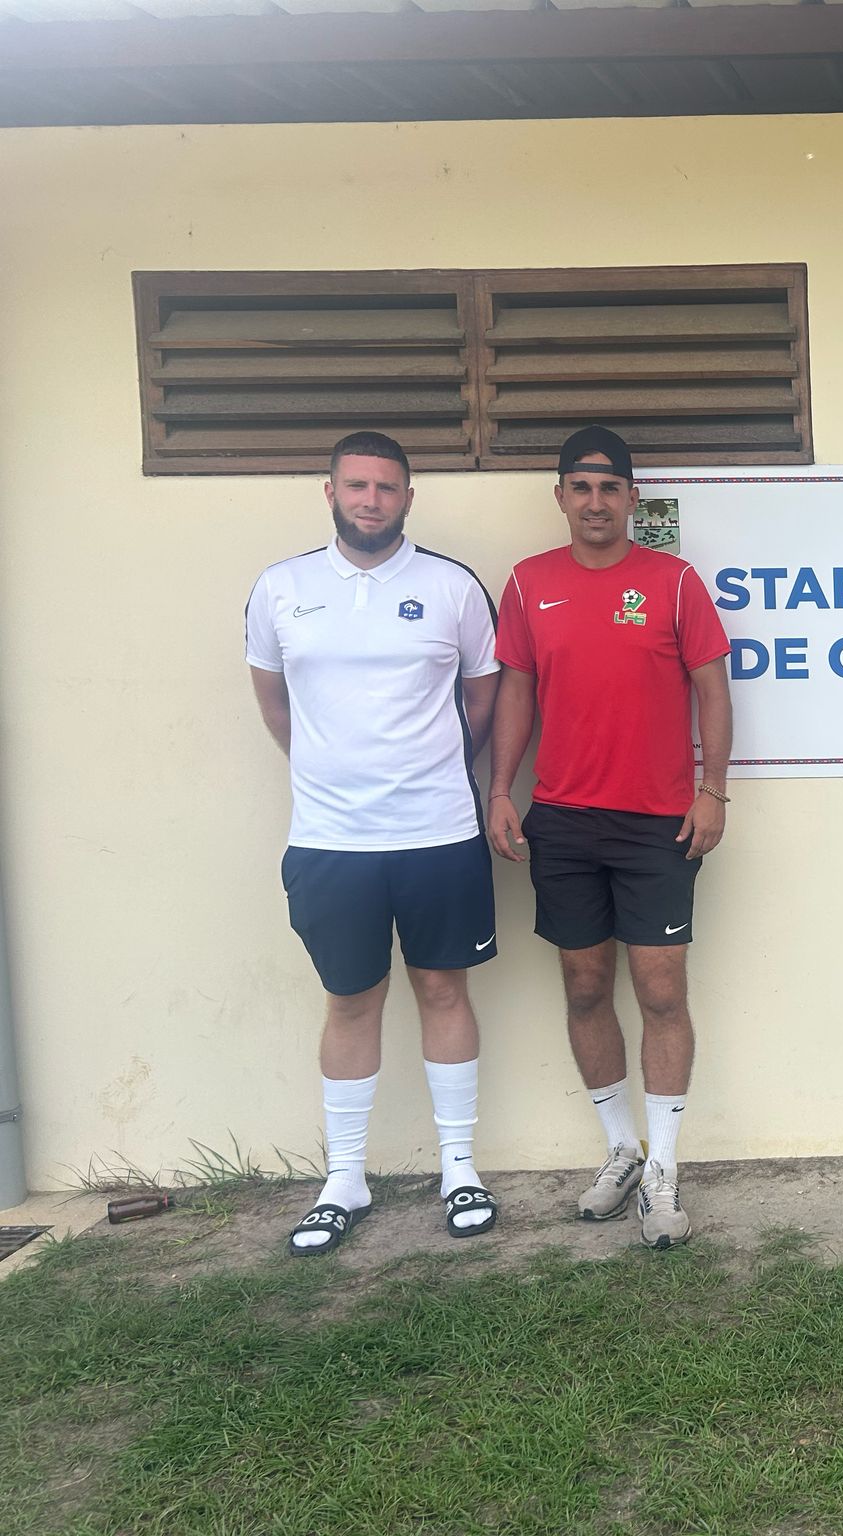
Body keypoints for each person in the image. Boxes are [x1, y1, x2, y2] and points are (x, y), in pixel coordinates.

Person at [245, 431, 503, 1256]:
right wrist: (337, 774)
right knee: (351, 1001)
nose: (370, 500)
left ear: (408, 499)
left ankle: (460, 1168)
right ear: (329, 491)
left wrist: (423, 770)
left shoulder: (452, 587)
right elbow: (276, 705)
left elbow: (483, 698)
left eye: (387, 488)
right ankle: (344, 1180)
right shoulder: (282, 589)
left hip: (438, 833)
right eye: (356, 485)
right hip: (330, 840)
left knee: (442, 993)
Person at [487, 425, 733, 1251]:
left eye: (611, 488)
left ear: (632, 498)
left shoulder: (672, 583)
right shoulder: (527, 586)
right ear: (561, 496)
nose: (596, 503)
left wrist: (712, 791)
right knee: (586, 989)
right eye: (581, 488)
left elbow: (712, 690)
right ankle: (620, 1150)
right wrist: (500, 789)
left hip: (657, 822)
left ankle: (664, 1168)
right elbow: (515, 695)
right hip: (562, 819)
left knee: (662, 994)